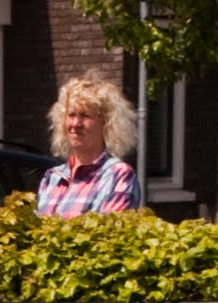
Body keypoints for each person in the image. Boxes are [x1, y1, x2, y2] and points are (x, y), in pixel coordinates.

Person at [36, 75, 142, 217]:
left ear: (107, 123)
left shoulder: (118, 175)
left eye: (85, 116)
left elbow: (110, 229)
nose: (76, 124)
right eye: (71, 115)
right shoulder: (52, 178)